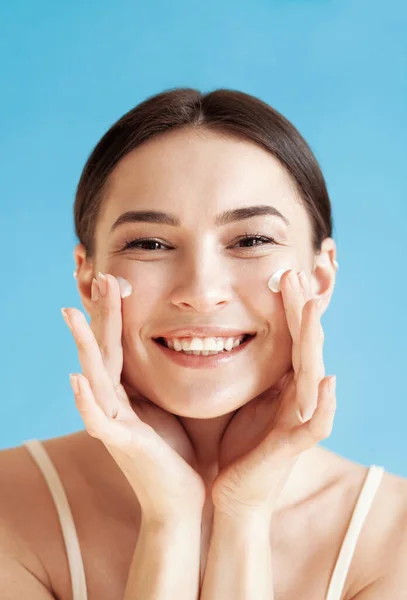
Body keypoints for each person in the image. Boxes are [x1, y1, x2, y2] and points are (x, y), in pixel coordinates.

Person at [1, 88, 406, 600]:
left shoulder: (395, 539)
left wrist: (243, 513)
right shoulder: (6, 509)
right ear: (88, 281)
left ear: (320, 278)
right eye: (149, 244)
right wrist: (170, 520)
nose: (201, 292)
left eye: (251, 241)